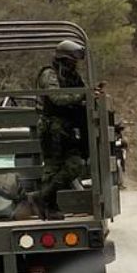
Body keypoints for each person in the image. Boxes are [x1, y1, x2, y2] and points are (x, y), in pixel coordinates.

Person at [32, 39, 91, 219]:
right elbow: (58, 99)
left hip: (67, 127)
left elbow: (80, 92)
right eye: (72, 61)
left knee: (75, 165)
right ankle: (49, 206)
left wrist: (91, 94)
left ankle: (42, 197)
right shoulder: (49, 74)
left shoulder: (71, 76)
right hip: (52, 128)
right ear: (64, 59)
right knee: (52, 169)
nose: (75, 65)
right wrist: (82, 95)